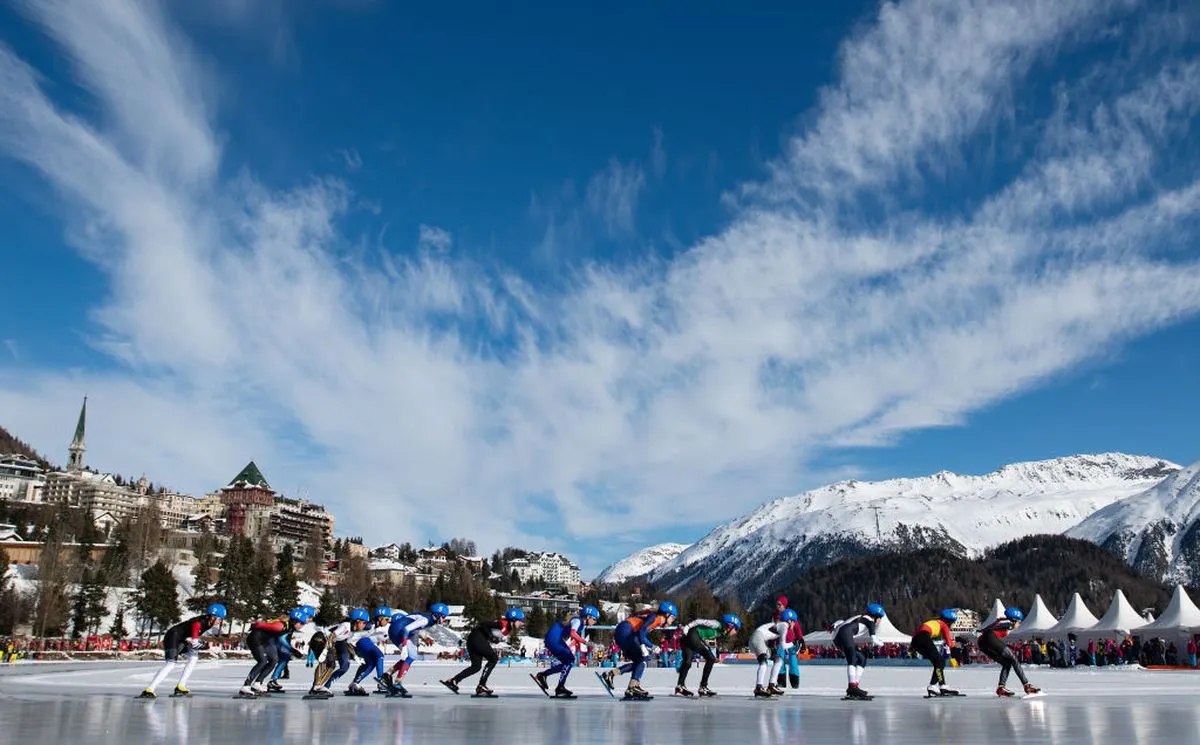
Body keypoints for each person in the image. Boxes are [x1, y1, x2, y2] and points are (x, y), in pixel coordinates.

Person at [138, 603, 227, 698]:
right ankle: (149, 690)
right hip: (173, 636)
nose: (220, 621)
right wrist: (208, 647)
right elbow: (195, 643)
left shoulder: (208, 623)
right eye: (219, 619)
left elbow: (195, 640)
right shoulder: (198, 623)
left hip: (182, 639)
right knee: (170, 664)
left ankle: (181, 686)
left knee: (193, 657)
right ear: (212, 617)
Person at [599, 601, 677, 699]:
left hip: (624, 632)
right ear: (666, 614)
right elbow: (641, 633)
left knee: (639, 662)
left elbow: (640, 633)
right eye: (672, 618)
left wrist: (645, 645)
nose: (672, 621)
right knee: (642, 659)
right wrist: (651, 646)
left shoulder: (654, 618)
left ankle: (612, 675)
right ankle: (632, 686)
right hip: (626, 631)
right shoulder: (656, 618)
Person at [442, 608, 525, 696]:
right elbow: (483, 624)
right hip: (477, 639)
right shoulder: (501, 624)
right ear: (513, 619)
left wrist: (493, 638)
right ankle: (481, 686)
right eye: (520, 621)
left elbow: (490, 631)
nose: (521, 623)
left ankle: (453, 681)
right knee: (493, 658)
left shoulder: (507, 627)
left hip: (473, 639)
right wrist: (491, 637)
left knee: (476, 667)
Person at [533, 605, 600, 698]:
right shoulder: (578, 620)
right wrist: (585, 642)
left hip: (554, 638)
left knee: (567, 662)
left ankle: (543, 675)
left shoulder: (579, 622)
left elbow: (573, 636)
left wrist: (586, 643)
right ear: (588, 617)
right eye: (595, 619)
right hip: (554, 639)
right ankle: (559, 687)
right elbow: (573, 633)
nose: (595, 622)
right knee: (570, 660)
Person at [238, 610, 306, 698]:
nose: (302, 626)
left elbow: (281, 639)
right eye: (301, 623)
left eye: (303, 624)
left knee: (274, 660)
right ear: (294, 621)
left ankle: (257, 683)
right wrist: (292, 650)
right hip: (255, 638)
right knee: (262, 661)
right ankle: (246, 686)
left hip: (265, 641)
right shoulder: (280, 625)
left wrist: (292, 650)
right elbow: (264, 626)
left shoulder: (289, 627)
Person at [387, 603, 450, 695]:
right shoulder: (425, 620)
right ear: (437, 615)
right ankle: (397, 683)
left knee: (412, 655)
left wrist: (425, 637)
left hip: (400, 630)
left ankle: (388, 674)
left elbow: (415, 627)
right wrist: (404, 647)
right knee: (411, 656)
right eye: (443, 617)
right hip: (398, 631)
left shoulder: (429, 619)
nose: (444, 619)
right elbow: (406, 629)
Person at [307, 608, 369, 698]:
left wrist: (355, 657)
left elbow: (347, 644)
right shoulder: (346, 626)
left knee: (331, 664)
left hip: (325, 642)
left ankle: (317, 686)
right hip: (320, 639)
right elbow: (332, 636)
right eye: (364, 622)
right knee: (328, 662)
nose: (365, 625)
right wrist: (325, 651)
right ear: (357, 621)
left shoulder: (351, 632)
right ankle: (316, 687)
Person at [978, 607, 1041, 697]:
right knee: (1014, 659)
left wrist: (980, 631)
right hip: (990, 638)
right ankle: (1027, 685)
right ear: (1015, 620)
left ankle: (1001, 688)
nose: (1019, 624)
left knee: (1007, 663)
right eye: (1019, 622)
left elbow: (990, 627)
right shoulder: (1008, 623)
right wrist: (1010, 625)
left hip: (982, 644)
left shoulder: (1001, 621)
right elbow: (996, 627)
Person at [675, 614, 741, 697]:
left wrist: (709, 645)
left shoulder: (720, 632)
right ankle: (703, 686)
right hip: (692, 635)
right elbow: (699, 621)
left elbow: (704, 636)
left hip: (687, 639)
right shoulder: (716, 624)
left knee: (687, 663)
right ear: (730, 626)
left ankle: (680, 686)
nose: (736, 632)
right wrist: (687, 626)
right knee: (711, 659)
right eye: (736, 629)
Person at [346, 606, 402, 696]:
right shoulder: (369, 625)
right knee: (379, 656)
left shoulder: (388, 627)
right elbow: (352, 630)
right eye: (386, 619)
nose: (388, 621)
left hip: (364, 645)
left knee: (371, 663)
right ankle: (381, 680)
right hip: (361, 642)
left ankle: (355, 683)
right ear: (380, 618)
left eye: (389, 619)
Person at [834, 603, 885, 699]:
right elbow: (874, 639)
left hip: (838, 636)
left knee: (861, 659)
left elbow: (840, 623)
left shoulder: (859, 617)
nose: (880, 621)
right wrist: (882, 643)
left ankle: (854, 686)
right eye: (880, 618)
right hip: (845, 634)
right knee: (852, 660)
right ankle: (852, 687)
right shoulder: (870, 621)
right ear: (875, 616)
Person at [911, 608, 959, 696]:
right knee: (940, 661)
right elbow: (949, 643)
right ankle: (933, 685)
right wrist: (956, 644)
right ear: (949, 621)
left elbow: (918, 632)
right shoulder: (943, 624)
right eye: (952, 623)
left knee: (938, 663)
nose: (952, 625)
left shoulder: (935, 622)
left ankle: (942, 685)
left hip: (915, 641)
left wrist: (911, 648)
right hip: (924, 636)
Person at [268, 605, 317, 692]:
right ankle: (267, 681)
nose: (310, 620)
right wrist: (292, 649)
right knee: (280, 658)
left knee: (284, 658)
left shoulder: (294, 619)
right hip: (273, 641)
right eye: (310, 617)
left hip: (276, 640)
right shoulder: (291, 621)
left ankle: (273, 680)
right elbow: (282, 637)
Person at [748, 609, 794, 698]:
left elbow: (773, 641)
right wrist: (793, 644)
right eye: (793, 622)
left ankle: (772, 685)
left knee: (778, 660)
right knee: (764, 661)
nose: (794, 624)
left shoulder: (779, 625)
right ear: (789, 620)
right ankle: (759, 687)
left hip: (759, 640)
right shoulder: (784, 626)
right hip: (758, 638)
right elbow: (783, 644)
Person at [773, 597, 804, 689]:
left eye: (780, 604)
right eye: (777, 604)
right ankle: (781, 681)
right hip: (780, 642)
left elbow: (797, 627)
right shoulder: (775, 616)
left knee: (793, 661)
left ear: (784, 605)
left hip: (791, 642)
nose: (777, 606)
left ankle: (795, 681)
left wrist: (801, 638)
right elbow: (773, 629)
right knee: (780, 662)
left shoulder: (790, 614)